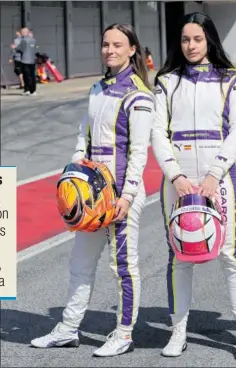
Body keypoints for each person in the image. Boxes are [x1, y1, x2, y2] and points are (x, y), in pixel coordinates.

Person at [30, 23, 154, 357]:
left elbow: (140, 152)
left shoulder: (140, 95)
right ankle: (68, 329)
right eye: (105, 44)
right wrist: (72, 178)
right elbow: (82, 139)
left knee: (123, 267)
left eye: (117, 45)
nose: (110, 50)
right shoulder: (97, 89)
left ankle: (124, 333)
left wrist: (127, 197)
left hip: (121, 197)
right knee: (80, 264)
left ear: (132, 50)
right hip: (90, 195)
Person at [151, 12, 236, 360]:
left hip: (220, 179)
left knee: (231, 255)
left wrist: (214, 174)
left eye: (197, 39)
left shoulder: (230, 80)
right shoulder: (166, 81)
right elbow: (158, 132)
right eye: (185, 39)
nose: (191, 45)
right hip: (176, 182)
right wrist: (175, 176)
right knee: (179, 257)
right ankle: (177, 332)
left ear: (209, 39)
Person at [14, 27, 37, 96]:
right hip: (32, 60)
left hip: (25, 60)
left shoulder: (24, 40)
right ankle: (33, 89)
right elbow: (35, 48)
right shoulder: (33, 40)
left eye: (22, 32)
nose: (21, 34)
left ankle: (29, 90)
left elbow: (19, 49)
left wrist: (15, 48)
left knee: (27, 76)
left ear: (25, 33)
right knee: (32, 75)